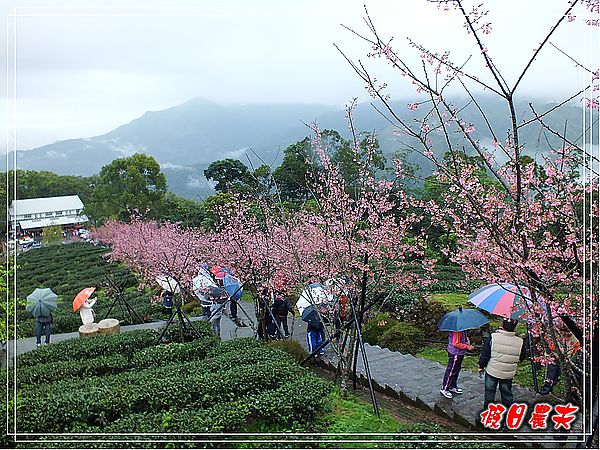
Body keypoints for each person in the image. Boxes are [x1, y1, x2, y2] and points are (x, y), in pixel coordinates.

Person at [478, 318, 528, 408]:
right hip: (508, 373)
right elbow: (522, 357)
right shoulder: (520, 342)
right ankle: (508, 411)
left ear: (502, 325)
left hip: (492, 371)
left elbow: (485, 354)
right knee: (506, 392)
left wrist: (481, 366)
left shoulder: (493, 337)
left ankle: (488, 411)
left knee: (490, 392)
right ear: (515, 327)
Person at [539, 323, 581, 395]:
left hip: (569, 357)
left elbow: (576, 349)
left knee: (571, 373)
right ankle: (548, 387)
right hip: (556, 355)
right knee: (551, 370)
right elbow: (551, 346)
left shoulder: (575, 337)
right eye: (564, 333)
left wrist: (570, 359)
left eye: (568, 333)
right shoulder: (556, 334)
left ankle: (574, 391)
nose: (565, 335)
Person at [440, 329, 474, 398]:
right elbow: (456, 343)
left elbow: (462, 339)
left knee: (456, 370)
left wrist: (467, 340)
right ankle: (445, 388)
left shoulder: (463, 330)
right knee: (451, 371)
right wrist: (467, 347)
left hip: (460, 353)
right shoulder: (457, 331)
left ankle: (452, 386)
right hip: (455, 353)